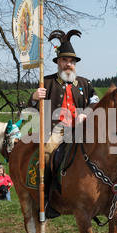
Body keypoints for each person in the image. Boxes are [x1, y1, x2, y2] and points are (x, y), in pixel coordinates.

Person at [28, 29, 99, 218]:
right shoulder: (47, 82)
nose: (69, 64)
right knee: (47, 156)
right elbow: (31, 108)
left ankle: (101, 198)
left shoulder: (85, 83)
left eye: (72, 61)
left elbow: (94, 102)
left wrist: (86, 113)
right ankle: (47, 200)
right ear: (58, 62)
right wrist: (35, 98)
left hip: (83, 129)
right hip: (57, 130)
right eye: (65, 61)